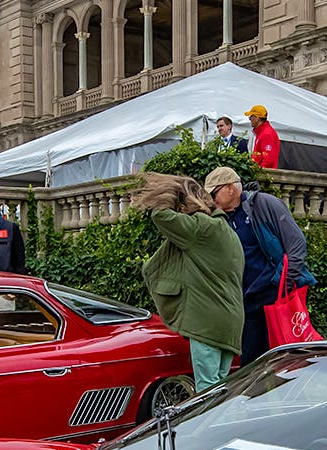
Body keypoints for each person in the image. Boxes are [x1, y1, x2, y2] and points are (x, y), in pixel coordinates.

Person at [132, 172, 244, 393]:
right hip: (231, 323)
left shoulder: (201, 228)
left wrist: (172, 192)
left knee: (206, 391)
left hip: (207, 322)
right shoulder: (228, 232)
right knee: (220, 388)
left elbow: (160, 216)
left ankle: (209, 428)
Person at [204, 165, 315, 365]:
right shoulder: (220, 218)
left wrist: (283, 283)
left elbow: (296, 243)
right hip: (247, 300)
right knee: (251, 364)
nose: (212, 200)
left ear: (230, 188)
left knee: (286, 360)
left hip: (274, 294)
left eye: (214, 193)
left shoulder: (264, 204)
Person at [243, 104, 280, 169]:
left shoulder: (267, 134)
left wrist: (257, 172)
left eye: (251, 117)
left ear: (257, 118)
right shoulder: (261, 133)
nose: (249, 119)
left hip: (264, 176)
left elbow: (269, 160)